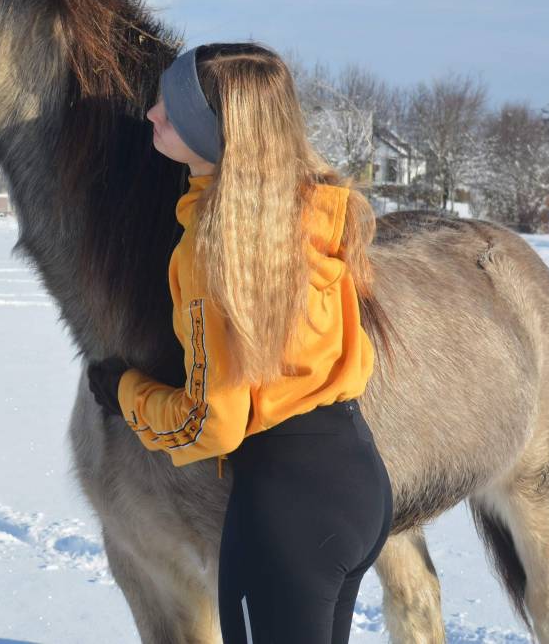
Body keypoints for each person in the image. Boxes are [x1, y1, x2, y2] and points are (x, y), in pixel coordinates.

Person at [87, 43, 393, 643]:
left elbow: (210, 422)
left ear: (217, 133)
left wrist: (125, 393)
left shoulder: (215, 250)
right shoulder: (316, 215)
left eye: (171, 112)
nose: (150, 115)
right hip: (358, 482)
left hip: (287, 511)